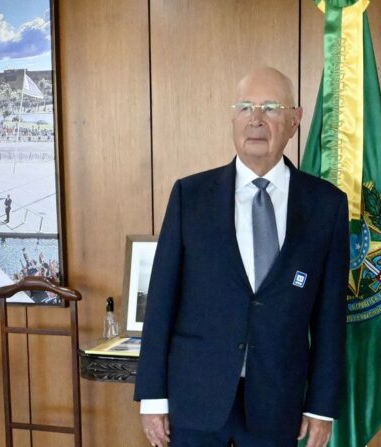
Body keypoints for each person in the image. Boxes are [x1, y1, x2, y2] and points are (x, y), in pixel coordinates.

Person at [134, 67, 348, 447]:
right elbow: (161, 300)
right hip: (195, 398)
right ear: (232, 118)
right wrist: (152, 396)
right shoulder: (190, 196)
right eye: (246, 107)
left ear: (295, 120)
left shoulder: (325, 205)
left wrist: (321, 407)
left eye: (270, 107)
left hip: (278, 402)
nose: (256, 120)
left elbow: (330, 316)